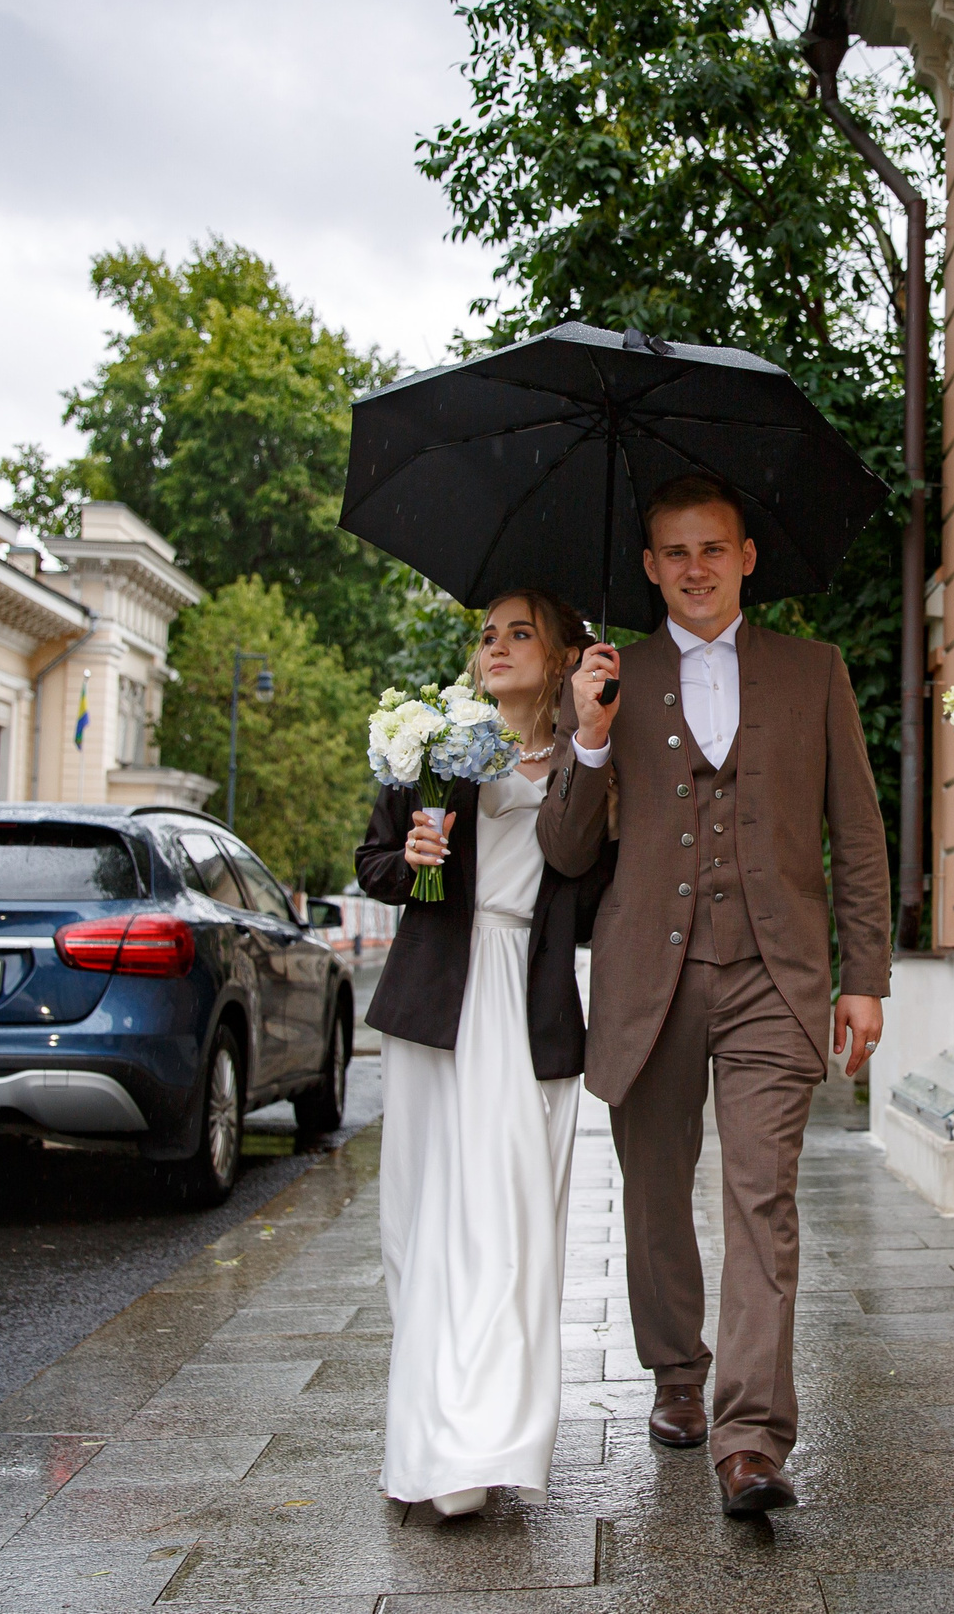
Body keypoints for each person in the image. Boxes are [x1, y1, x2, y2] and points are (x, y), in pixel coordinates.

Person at [539, 472, 890, 1516]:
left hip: (774, 976)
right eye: (674, 552)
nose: (694, 567)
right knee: (653, 1201)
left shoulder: (813, 671)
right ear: (649, 566)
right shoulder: (610, 678)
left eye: (713, 548)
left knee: (762, 1202)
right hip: (648, 974)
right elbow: (564, 850)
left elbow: (857, 836)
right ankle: (677, 1377)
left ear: (745, 557)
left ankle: (751, 1438)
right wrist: (588, 736)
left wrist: (863, 978)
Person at [354, 590, 610, 1517]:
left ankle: (488, 1437)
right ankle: (425, 1435)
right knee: (419, 1222)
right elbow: (375, 863)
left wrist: (591, 741)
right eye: (488, 633)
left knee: (509, 1225)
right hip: (436, 1001)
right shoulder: (433, 742)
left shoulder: (589, 759)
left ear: (562, 653)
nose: (496, 647)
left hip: (528, 1001)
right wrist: (414, 850)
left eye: (520, 632)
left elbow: (591, 880)